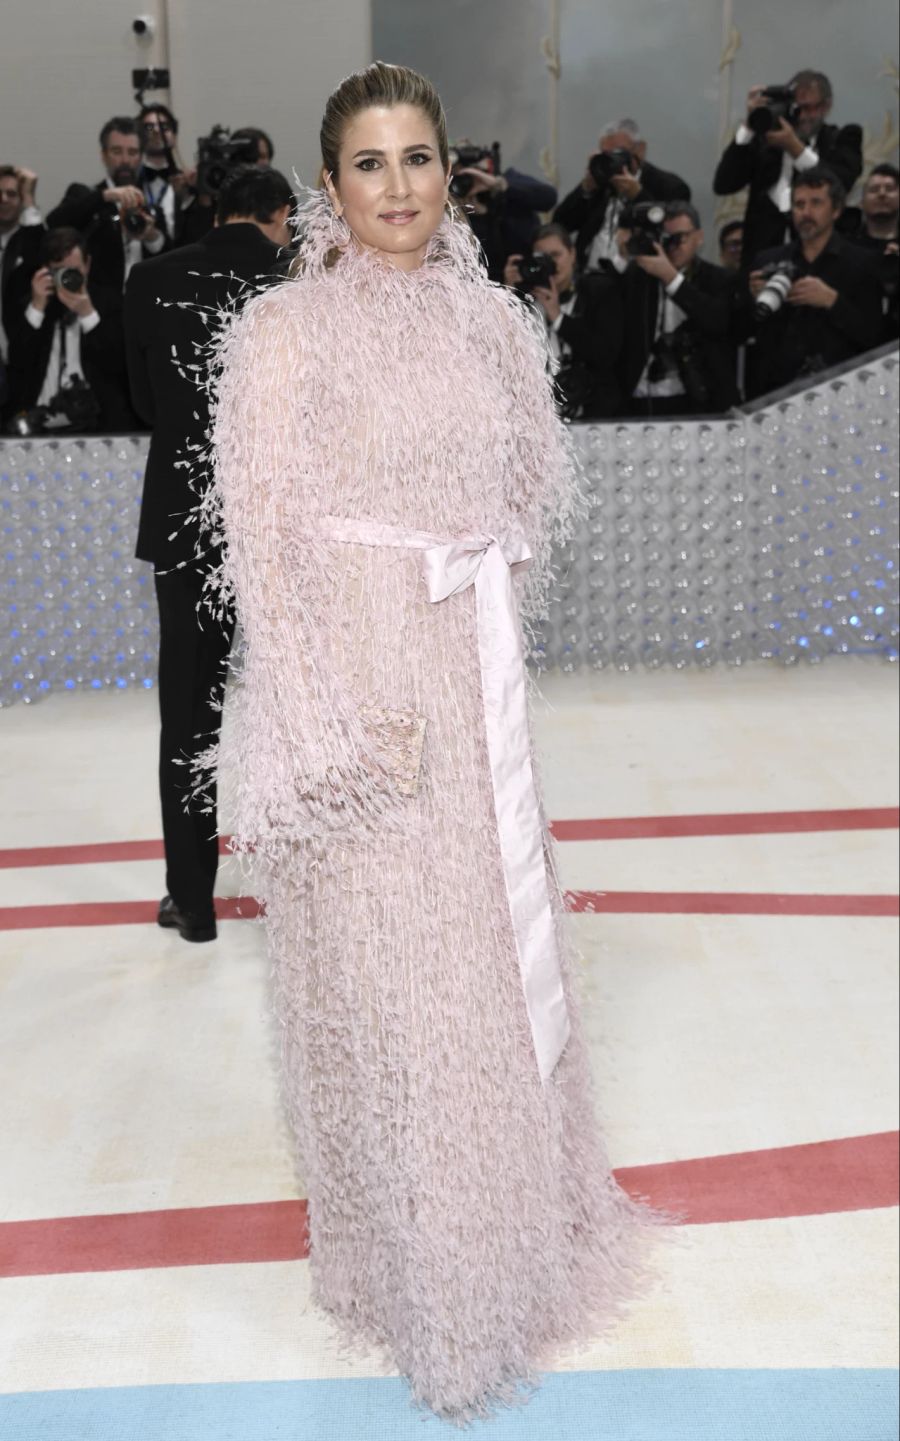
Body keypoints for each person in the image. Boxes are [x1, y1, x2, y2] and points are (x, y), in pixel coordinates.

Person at [201, 61, 666, 1422]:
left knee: (477, 979)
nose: (396, 189)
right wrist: (332, 717)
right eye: (369, 164)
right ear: (326, 184)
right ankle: (417, 1286)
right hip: (356, 698)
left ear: (449, 171)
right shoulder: (281, 336)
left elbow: (526, 494)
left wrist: (484, 620)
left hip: (468, 695)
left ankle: (489, 1259)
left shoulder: (499, 329)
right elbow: (264, 553)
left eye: (418, 159)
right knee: (382, 989)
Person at [124, 164, 292, 942]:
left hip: (190, 520)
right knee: (306, 708)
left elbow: (143, 403)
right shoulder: (300, 277)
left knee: (189, 718)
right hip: (290, 525)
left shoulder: (152, 277)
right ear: (278, 214)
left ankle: (193, 901)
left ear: (213, 209)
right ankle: (314, 895)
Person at [746, 167, 885, 397]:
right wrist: (755, 299)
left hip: (844, 391)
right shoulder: (768, 260)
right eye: (799, 205)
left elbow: (875, 337)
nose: (806, 212)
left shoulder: (863, 262)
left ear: (836, 210)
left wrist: (833, 301)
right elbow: (745, 332)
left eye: (816, 203)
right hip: (778, 393)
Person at [713, 70, 863, 270]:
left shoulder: (842, 138)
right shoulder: (765, 141)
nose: (801, 117)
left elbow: (839, 183)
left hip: (821, 265)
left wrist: (795, 148)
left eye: (809, 108)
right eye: (796, 108)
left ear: (826, 106)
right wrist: (750, 126)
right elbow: (724, 183)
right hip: (761, 262)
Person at [5, 226, 135, 433]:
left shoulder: (110, 304)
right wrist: (37, 308)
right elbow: (18, 365)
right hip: (39, 422)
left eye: (73, 271)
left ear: (88, 265)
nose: (67, 278)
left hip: (98, 423)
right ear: (45, 270)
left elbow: (120, 365)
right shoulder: (34, 305)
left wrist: (88, 314)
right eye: (58, 271)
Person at [615, 201, 740, 416]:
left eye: (680, 237)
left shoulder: (720, 279)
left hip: (699, 396)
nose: (672, 245)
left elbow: (718, 322)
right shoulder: (637, 278)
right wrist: (623, 254)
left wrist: (671, 278)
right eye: (666, 238)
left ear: (699, 237)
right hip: (642, 396)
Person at [504, 222, 623, 417]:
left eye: (555, 255)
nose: (550, 264)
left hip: (590, 413)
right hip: (535, 417)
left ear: (573, 254)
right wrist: (509, 295)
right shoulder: (523, 300)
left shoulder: (599, 292)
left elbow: (605, 354)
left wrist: (559, 318)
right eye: (541, 257)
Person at [554, 118, 690, 273]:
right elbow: (560, 225)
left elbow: (672, 234)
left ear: (640, 150)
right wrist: (586, 188)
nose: (612, 161)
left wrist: (638, 195)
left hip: (638, 279)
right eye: (606, 154)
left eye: (618, 153)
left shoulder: (670, 187)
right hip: (589, 276)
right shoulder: (600, 183)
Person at [47, 117, 166, 293]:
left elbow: (169, 257)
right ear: (104, 155)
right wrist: (104, 196)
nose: (125, 160)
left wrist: (151, 235)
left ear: (141, 157)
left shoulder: (152, 204)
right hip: (99, 310)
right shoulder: (85, 196)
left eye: (132, 152)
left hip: (146, 306)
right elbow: (54, 222)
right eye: (117, 151)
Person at [450, 142, 557, 281]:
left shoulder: (509, 181)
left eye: (470, 173)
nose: (467, 183)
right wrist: (476, 215)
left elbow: (549, 198)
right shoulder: (455, 213)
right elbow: (481, 267)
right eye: (458, 177)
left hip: (530, 275)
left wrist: (499, 185)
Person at [840, 165, 900, 340]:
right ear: (861, 202)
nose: (882, 194)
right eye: (874, 190)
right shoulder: (846, 249)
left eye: (890, 189)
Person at [0, 165, 45, 372]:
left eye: (12, 194)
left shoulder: (28, 241)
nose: (4, 199)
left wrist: (29, 196)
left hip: (18, 350)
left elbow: (38, 259)